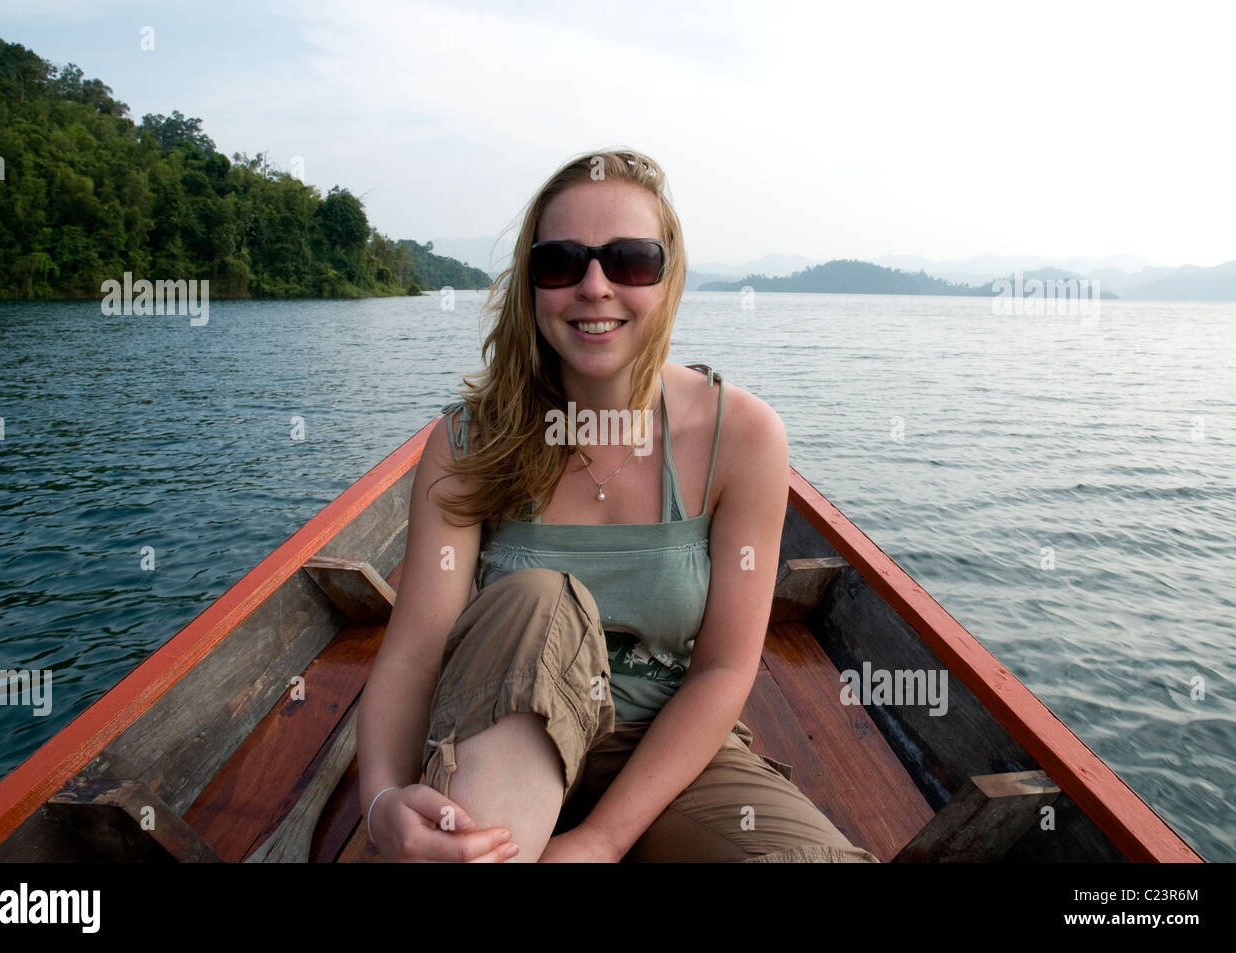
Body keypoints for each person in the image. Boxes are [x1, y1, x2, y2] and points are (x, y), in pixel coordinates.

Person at [356, 148, 878, 863]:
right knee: (540, 599)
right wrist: (382, 802)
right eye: (561, 261)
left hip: (663, 746)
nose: (594, 286)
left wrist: (601, 840)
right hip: (509, 718)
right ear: (531, 284)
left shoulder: (743, 438)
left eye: (630, 260)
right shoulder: (468, 441)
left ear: (668, 279)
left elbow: (723, 670)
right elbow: (414, 657)